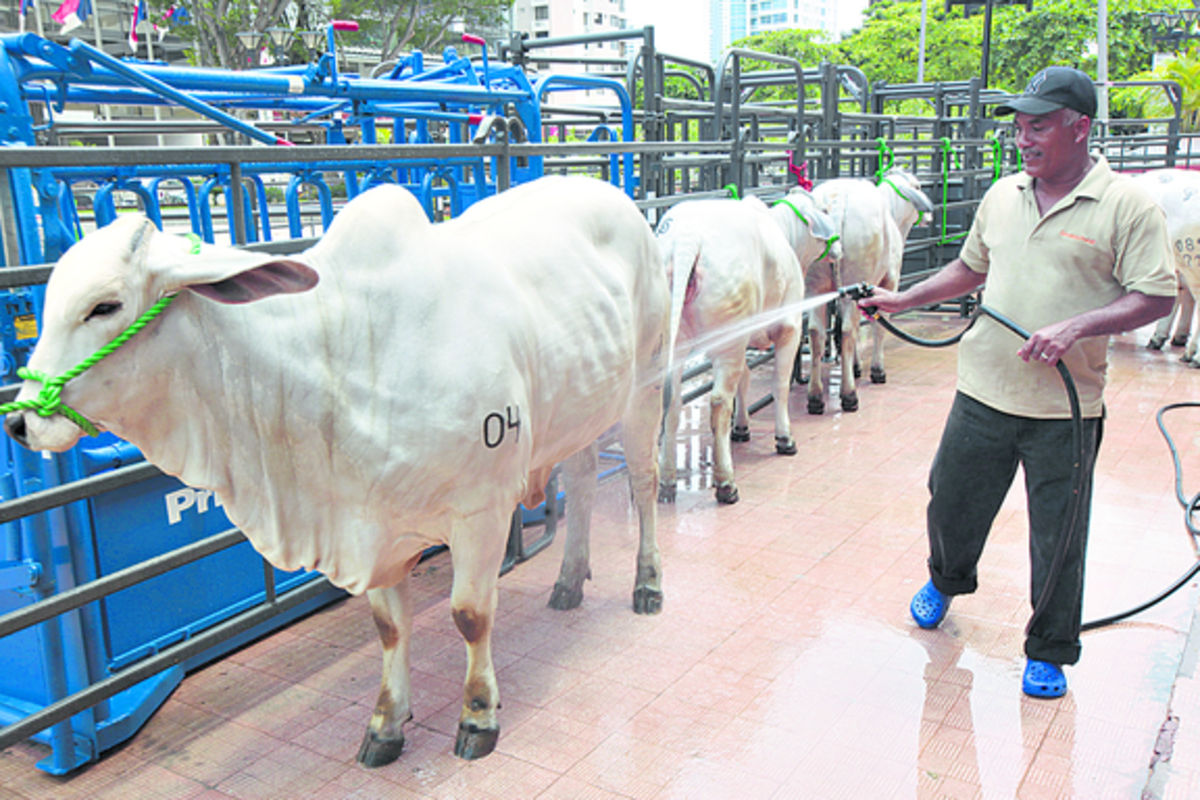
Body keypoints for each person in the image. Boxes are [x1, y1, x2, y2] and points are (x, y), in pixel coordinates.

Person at [860, 66, 1176, 698]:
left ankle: (1049, 649)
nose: (1023, 140)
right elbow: (969, 268)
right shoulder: (1004, 195)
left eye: (1038, 127)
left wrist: (1075, 327)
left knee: (1059, 535)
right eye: (1019, 128)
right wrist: (901, 300)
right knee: (950, 502)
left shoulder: (1126, 205)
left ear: (1080, 128)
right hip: (983, 390)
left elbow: (1157, 296)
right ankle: (946, 579)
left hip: (1067, 407)